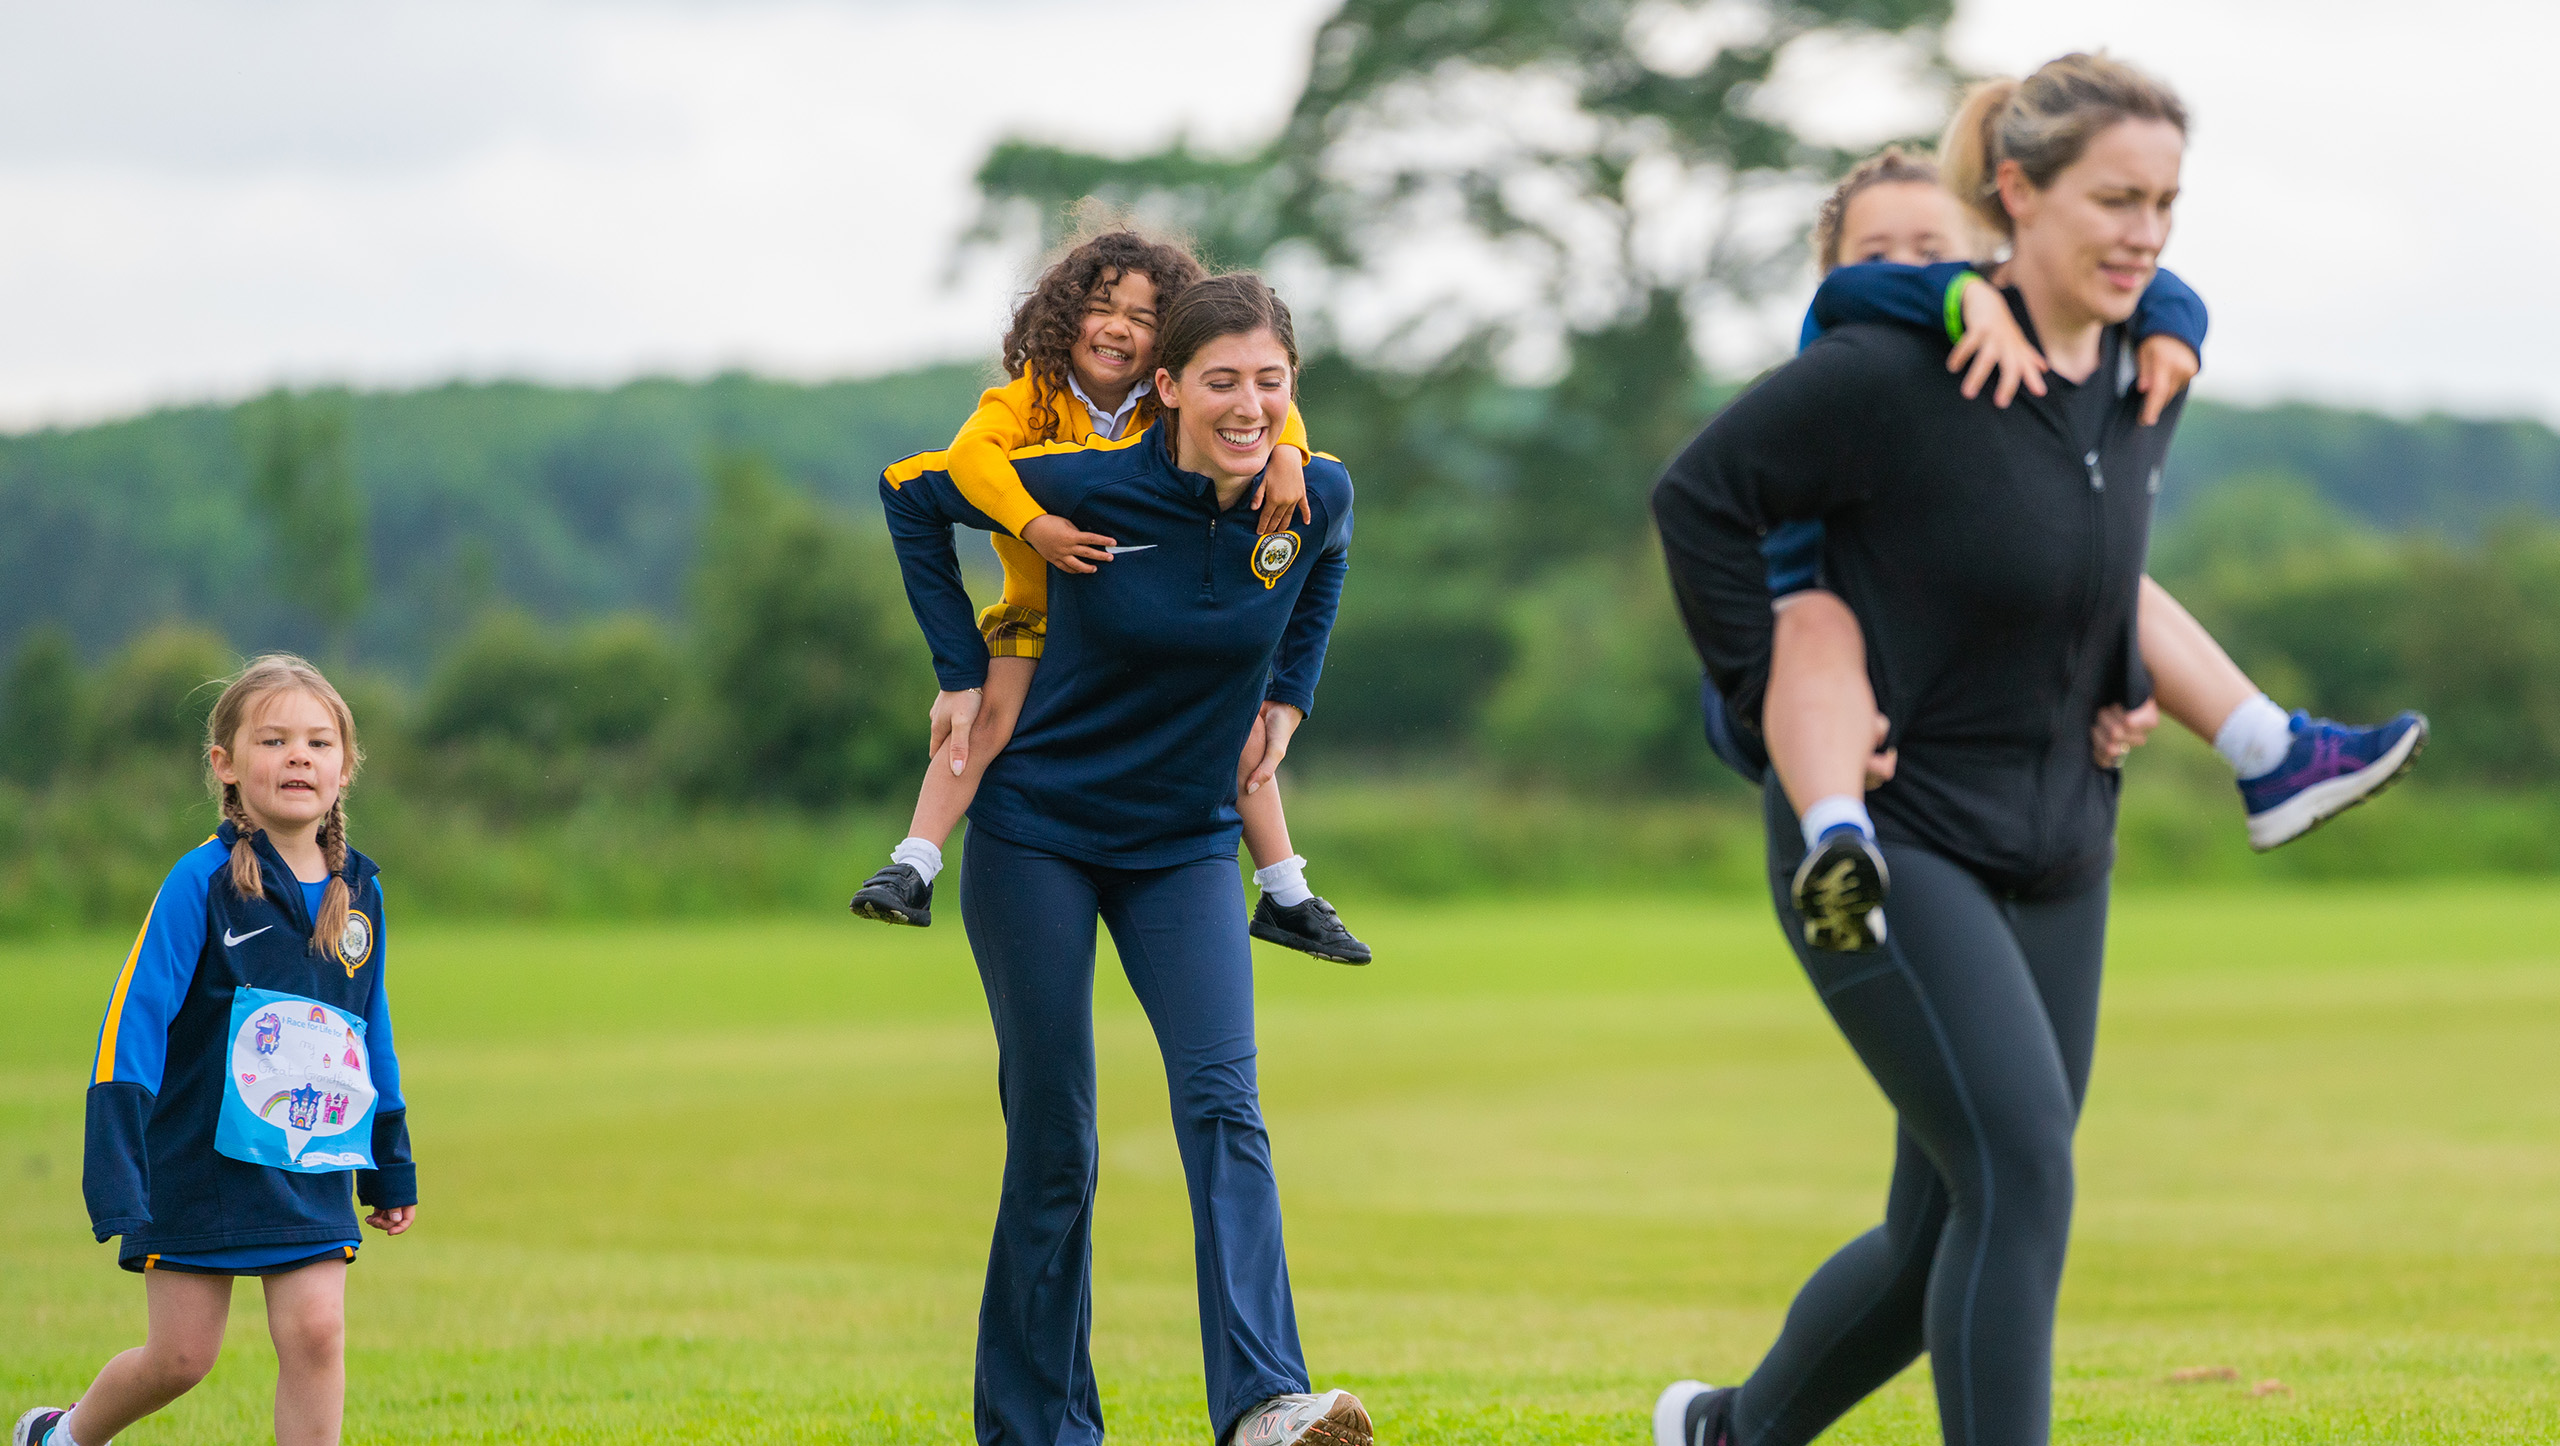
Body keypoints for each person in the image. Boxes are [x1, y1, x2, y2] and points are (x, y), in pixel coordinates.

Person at [1649, 54, 2248, 1446]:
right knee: (2022, 1176)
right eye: (2116, 198)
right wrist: (1755, 696)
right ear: (2020, 196)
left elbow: (2081, 571)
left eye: (2165, 203)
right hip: (1886, 825)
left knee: (1947, 1227)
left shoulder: (2133, 363)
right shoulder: (1879, 369)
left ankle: (1723, 1434)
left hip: (2057, 833)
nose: (2145, 231)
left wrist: (2114, 682)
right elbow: (1701, 499)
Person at [880, 273, 1370, 1446]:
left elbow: (1327, 568)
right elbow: (912, 499)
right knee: (1056, 1141)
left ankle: (1263, 1405)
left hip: (1188, 845)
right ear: (1166, 391)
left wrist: (1290, 700)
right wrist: (959, 664)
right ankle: (1039, 1430)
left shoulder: (1318, 495)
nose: (1246, 406)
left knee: (1224, 1105)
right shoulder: (1091, 479)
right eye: (1220, 382)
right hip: (1037, 830)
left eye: (1269, 382)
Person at [1723, 146, 2425, 951]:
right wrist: (1957, 289)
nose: (1904, 268)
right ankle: (1839, 848)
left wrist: (2169, 331)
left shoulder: (1993, 378)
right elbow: (1855, 295)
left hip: (1950, 663)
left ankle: (2270, 748)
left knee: (2105, 576)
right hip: (1811, 650)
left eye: (1931, 250)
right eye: (1877, 251)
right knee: (1817, 622)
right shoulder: (1844, 340)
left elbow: (2143, 287)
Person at [849, 225, 1370, 965]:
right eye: (1101, 306)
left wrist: (1290, 453)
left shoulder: (1179, 407)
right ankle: (916, 861)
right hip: (1045, 608)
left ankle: (1286, 889)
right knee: (986, 717)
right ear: (1063, 314)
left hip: (1153, 614)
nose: (1122, 327)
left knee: (1230, 723)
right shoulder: (1029, 400)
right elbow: (961, 463)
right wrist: (1033, 530)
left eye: (1148, 316)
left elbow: (1258, 390)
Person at [16, 655, 414, 1446]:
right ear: (226, 766)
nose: (299, 756)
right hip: (198, 1166)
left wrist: (389, 1159)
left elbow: (368, 1033)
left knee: (317, 1334)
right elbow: (133, 1018)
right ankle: (58, 1437)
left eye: (319, 742)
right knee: (181, 1358)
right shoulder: (196, 882)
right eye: (273, 740)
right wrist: (117, 1161)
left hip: (310, 1159)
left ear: (346, 767)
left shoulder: (360, 894)